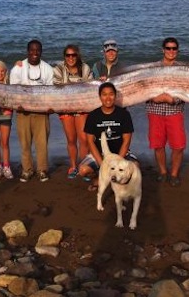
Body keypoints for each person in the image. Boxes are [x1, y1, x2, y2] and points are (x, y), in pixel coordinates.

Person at [9, 39, 55, 182]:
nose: (35, 53)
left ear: (41, 52)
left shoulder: (48, 68)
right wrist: (18, 105)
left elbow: (51, 91)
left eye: (37, 50)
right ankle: (27, 170)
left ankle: (42, 170)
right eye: (32, 50)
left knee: (42, 143)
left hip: (42, 112)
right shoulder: (18, 68)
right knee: (25, 143)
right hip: (23, 112)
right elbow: (13, 90)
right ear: (27, 51)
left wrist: (50, 107)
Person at [79, 82, 136, 191]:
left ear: (115, 96)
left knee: (135, 168)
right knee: (83, 170)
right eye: (104, 94)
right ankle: (98, 179)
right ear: (100, 97)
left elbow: (127, 140)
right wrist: (102, 165)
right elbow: (90, 142)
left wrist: (118, 162)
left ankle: (119, 181)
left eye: (111, 94)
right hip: (100, 154)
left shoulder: (124, 114)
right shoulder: (93, 116)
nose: (108, 98)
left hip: (120, 153)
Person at [145, 37, 186, 186]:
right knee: (158, 145)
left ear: (177, 51)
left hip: (174, 111)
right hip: (155, 110)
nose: (171, 51)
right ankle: (162, 171)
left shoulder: (183, 69)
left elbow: (188, 90)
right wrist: (153, 98)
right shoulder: (152, 68)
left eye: (174, 48)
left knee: (179, 146)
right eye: (168, 48)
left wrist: (173, 100)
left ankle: (174, 174)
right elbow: (142, 87)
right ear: (163, 50)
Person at [53, 44, 94, 179]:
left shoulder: (86, 68)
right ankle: (73, 166)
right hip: (65, 107)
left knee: (84, 139)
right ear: (64, 57)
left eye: (73, 55)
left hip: (82, 106)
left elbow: (91, 88)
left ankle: (83, 166)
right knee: (71, 139)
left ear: (78, 55)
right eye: (68, 55)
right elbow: (56, 88)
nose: (71, 58)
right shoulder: (59, 68)